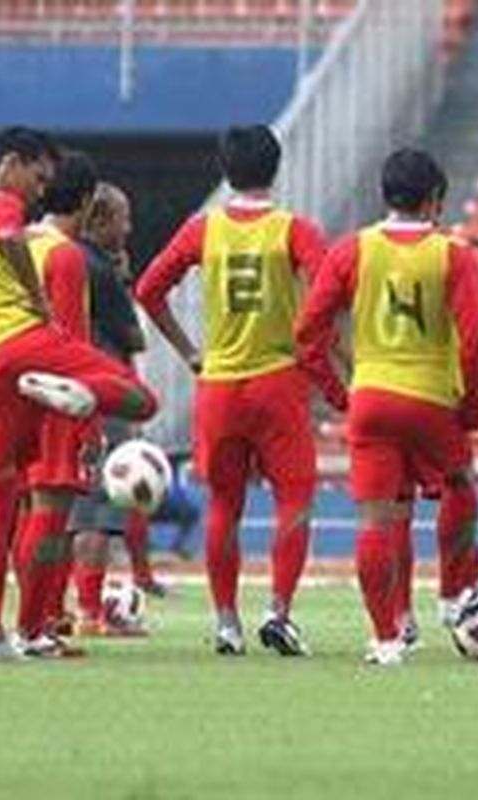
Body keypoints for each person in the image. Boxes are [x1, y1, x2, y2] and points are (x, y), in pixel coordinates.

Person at [0, 127, 157, 663]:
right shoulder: (24, 226)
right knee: (136, 401)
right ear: (11, 163)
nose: (39, 189)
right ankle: (33, 629)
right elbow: (14, 243)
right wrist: (37, 304)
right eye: (36, 177)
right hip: (34, 352)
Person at [295, 147, 478, 666]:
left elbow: (307, 333)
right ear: (434, 200)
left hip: (372, 397)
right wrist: (471, 407)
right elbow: (476, 339)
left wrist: (342, 395)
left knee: (378, 520)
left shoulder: (351, 250)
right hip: (430, 398)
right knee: (460, 485)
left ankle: (388, 636)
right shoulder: (453, 254)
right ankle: (454, 595)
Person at [136, 125, 326, 656]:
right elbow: (332, 287)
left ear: (225, 170)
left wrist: (190, 352)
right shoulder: (294, 230)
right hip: (278, 380)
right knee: (295, 500)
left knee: (224, 503)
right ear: (276, 166)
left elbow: (149, 290)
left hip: (219, 384)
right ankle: (279, 612)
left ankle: (226, 623)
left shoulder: (204, 230)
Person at [12, 152, 102, 657]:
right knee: (50, 512)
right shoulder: (66, 256)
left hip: (10, 387)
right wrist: (89, 420)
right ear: (87, 201)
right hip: (53, 397)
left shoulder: (19, 241)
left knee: (23, 511)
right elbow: (71, 345)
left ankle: (34, 619)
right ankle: (35, 626)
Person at [68, 181, 159, 637]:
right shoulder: (99, 268)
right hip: (105, 391)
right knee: (98, 509)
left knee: (70, 505)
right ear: (99, 220)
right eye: (122, 217)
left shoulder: (64, 256)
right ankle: (88, 610)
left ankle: (63, 607)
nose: (130, 226)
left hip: (71, 388)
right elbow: (134, 337)